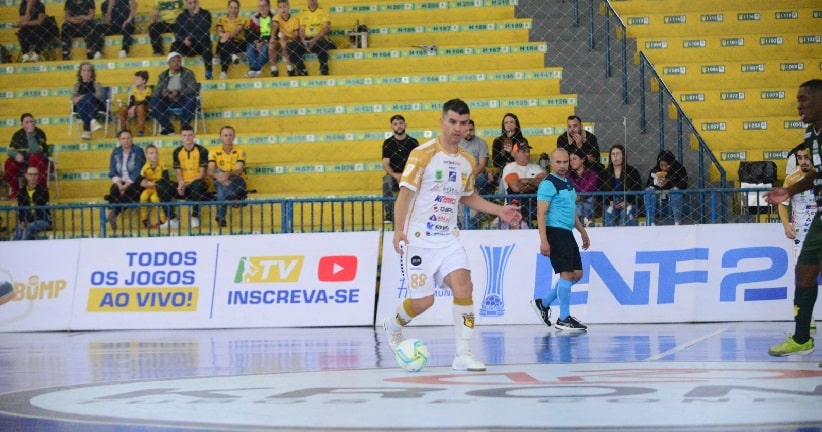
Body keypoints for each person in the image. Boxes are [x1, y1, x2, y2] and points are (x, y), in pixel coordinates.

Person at [381, 98, 522, 372]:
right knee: (424, 301)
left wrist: (500, 211)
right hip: (419, 239)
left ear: (468, 125)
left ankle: (463, 353)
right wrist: (399, 230)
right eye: (453, 122)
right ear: (442, 122)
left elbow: (469, 198)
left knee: (464, 286)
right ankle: (393, 324)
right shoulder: (422, 154)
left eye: (463, 123)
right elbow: (404, 195)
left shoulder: (468, 161)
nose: (458, 128)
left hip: (448, 239)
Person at [764, 79, 822, 358]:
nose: (798, 105)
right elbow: (816, 175)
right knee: (805, 271)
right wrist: (787, 190)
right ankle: (802, 339)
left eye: (804, 99)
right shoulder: (810, 134)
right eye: (797, 99)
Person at [530, 148, 591, 331]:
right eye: (559, 162)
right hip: (555, 232)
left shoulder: (567, 183)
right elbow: (541, 213)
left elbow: (571, 212)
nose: (563, 166)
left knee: (577, 273)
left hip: (567, 232)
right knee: (566, 273)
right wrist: (543, 240)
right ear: (551, 162)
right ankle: (564, 318)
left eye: (566, 162)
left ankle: (544, 302)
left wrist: (582, 232)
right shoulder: (548, 184)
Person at [151, 51, 199, 136]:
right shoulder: (163, 75)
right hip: (168, 100)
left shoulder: (188, 73)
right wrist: (163, 92)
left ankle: (184, 128)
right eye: (173, 61)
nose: (176, 63)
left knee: (191, 99)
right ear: (168, 63)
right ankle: (168, 127)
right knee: (154, 101)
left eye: (178, 61)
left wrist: (179, 92)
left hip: (182, 100)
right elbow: (157, 90)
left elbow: (193, 88)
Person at [207, 125, 247, 228]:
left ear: (234, 137)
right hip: (220, 179)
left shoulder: (240, 151)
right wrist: (218, 175)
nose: (228, 137)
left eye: (230, 135)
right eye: (225, 135)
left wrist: (226, 175)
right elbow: (210, 170)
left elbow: (238, 170)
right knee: (219, 174)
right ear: (220, 137)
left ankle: (221, 217)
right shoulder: (213, 151)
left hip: (237, 180)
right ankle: (235, 197)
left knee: (221, 184)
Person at [381, 114, 418, 223]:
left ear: (405, 125)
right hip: (394, 176)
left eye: (401, 123)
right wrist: (395, 175)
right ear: (391, 127)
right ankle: (389, 215)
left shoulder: (413, 142)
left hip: (410, 175)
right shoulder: (388, 143)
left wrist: (407, 175)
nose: (399, 126)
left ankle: (415, 213)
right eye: (395, 124)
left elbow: (417, 162)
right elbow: (385, 164)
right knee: (386, 181)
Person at [105, 130, 145, 230]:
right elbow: (112, 170)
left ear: (132, 139)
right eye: (123, 138)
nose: (126, 141)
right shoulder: (116, 152)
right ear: (119, 140)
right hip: (121, 181)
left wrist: (126, 185)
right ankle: (112, 211)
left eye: (128, 138)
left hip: (135, 181)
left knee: (129, 191)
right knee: (114, 189)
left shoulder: (138, 150)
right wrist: (119, 184)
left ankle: (112, 210)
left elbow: (138, 170)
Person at [173, 125, 210, 228]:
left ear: (194, 136)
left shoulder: (202, 151)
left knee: (197, 184)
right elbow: (178, 172)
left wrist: (187, 184)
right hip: (184, 184)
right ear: (181, 137)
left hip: (199, 184)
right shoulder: (177, 152)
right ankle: (171, 218)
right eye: (184, 135)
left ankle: (195, 215)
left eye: (190, 135)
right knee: (163, 185)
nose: (187, 138)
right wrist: (180, 183)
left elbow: (202, 174)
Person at [501, 141, 546, 226]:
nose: (527, 154)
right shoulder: (509, 168)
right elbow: (515, 187)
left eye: (528, 151)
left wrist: (525, 181)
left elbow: (544, 183)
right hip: (516, 205)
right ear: (515, 153)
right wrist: (535, 184)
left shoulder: (536, 167)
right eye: (523, 151)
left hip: (535, 204)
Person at [5, 113, 48, 200]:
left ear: (35, 122)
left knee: (35, 157)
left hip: (38, 160)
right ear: (22, 124)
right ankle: (16, 191)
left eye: (31, 121)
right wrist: (16, 155)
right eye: (27, 122)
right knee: (9, 163)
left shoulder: (39, 133)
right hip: (22, 160)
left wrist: (30, 134)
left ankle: (39, 191)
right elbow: (9, 150)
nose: (30, 124)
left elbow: (35, 151)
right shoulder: (17, 134)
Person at [289, 0, 335, 76]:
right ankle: (302, 69)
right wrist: (303, 41)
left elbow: (325, 29)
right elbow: (302, 29)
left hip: (320, 39)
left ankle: (324, 69)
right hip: (307, 40)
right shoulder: (303, 12)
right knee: (290, 46)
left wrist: (314, 40)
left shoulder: (324, 11)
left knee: (320, 43)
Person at [600, 144, 642, 227]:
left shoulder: (632, 172)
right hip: (612, 203)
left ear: (623, 156)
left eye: (618, 153)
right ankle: (609, 237)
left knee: (626, 212)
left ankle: (625, 237)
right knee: (608, 212)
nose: (615, 157)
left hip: (629, 203)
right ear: (610, 157)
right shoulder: (605, 173)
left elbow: (638, 190)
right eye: (613, 154)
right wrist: (610, 201)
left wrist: (628, 202)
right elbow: (601, 192)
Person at [644, 150, 688, 225]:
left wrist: (669, 182)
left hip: (677, 204)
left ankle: (677, 222)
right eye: (662, 165)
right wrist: (656, 184)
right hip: (659, 204)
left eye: (667, 165)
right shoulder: (655, 170)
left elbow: (684, 184)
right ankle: (650, 222)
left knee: (675, 191)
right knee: (649, 191)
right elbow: (649, 185)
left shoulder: (680, 169)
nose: (664, 168)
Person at [172, 0, 213, 80]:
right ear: (186, 4)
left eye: (195, 2)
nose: (193, 5)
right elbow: (177, 32)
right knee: (174, 45)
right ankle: (173, 72)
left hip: (201, 44)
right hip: (188, 45)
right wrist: (183, 39)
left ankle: (208, 72)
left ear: (198, 2)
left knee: (206, 42)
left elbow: (205, 27)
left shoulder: (206, 14)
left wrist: (196, 15)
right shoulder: (181, 16)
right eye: (190, 3)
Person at [13, 166, 51, 241]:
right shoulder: (22, 191)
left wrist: (26, 221)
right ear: (26, 176)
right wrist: (22, 222)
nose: (33, 177)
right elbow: (21, 209)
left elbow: (40, 206)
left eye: (35, 174)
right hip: (27, 221)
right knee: (19, 228)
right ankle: (12, 249)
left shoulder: (43, 190)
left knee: (28, 227)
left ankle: (22, 248)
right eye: (30, 174)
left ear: (38, 176)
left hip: (42, 220)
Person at [138, 144, 171, 229]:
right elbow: (140, 178)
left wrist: (154, 184)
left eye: (156, 153)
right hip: (149, 188)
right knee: (143, 197)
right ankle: (145, 220)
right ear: (146, 155)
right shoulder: (145, 167)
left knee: (155, 199)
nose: (154, 155)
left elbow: (166, 178)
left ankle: (163, 220)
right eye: (151, 153)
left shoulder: (162, 165)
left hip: (158, 188)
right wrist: (144, 182)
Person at [72, 62, 105, 140]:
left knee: (89, 98)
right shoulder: (77, 86)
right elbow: (74, 100)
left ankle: (87, 130)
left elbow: (99, 96)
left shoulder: (97, 84)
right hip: (80, 107)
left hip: (96, 106)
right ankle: (93, 120)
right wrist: (84, 96)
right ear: (80, 73)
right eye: (84, 70)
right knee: (84, 101)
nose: (86, 73)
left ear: (92, 73)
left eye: (89, 71)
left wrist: (83, 96)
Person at [215, 0, 247, 80]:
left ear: (238, 9)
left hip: (238, 43)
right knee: (223, 42)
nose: (233, 10)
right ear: (228, 8)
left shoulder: (241, 19)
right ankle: (232, 55)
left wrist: (226, 36)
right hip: (225, 42)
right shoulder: (222, 19)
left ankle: (223, 72)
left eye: (235, 8)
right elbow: (219, 32)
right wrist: (224, 35)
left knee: (224, 44)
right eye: (231, 8)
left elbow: (237, 30)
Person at [459, 119, 491, 195]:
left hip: (476, 173)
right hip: (460, 173)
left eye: (471, 130)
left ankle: (481, 203)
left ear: (474, 129)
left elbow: (482, 165)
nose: (468, 133)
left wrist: (471, 175)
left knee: (482, 178)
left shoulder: (481, 143)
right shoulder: (456, 143)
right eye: (466, 130)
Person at [567, 148, 598, 227]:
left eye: (574, 159)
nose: (572, 162)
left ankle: (582, 220)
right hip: (573, 201)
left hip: (588, 201)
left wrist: (578, 195)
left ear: (582, 160)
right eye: (570, 160)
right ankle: (584, 221)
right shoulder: (568, 175)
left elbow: (590, 188)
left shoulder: (592, 173)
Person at [245, 0, 276, 78]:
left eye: (264, 6)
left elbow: (276, 34)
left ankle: (254, 69)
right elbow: (250, 34)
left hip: (268, 41)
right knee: (249, 48)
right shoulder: (254, 18)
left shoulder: (274, 18)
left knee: (265, 48)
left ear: (269, 7)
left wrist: (264, 42)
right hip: (257, 41)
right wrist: (257, 42)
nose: (262, 8)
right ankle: (256, 70)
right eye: (260, 6)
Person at [118, 70, 151, 136]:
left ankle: (141, 130)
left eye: (137, 79)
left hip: (144, 109)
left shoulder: (148, 90)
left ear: (144, 81)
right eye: (135, 78)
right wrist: (132, 108)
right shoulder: (134, 90)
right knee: (123, 109)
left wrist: (134, 107)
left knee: (140, 107)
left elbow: (145, 102)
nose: (135, 80)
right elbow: (132, 101)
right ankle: (123, 131)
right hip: (134, 107)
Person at [273, 0, 299, 76]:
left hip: (292, 40)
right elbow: (274, 26)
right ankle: (274, 69)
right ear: (278, 9)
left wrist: (286, 36)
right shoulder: (276, 17)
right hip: (281, 40)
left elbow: (296, 36)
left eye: (285, 7)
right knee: (271, 45)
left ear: (289, 7)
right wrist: (273, 37)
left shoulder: (295, 19)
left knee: (284, 44)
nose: (283, 9)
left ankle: (290, 67)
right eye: (280, 7)